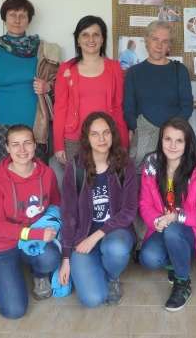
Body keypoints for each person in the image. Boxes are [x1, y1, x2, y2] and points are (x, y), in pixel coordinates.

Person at [59, 112, 138, 307]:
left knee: (116, 249)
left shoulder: (125, 165)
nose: (101, 139)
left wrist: (95, 237)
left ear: (113, 134)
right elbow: (68, 214)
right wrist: (66, 257)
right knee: (93, 299)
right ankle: (98, 267)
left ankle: (112, 277)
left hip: (116, 232)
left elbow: (129, 211)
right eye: (95, 134)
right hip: (83, 236)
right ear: (87, 138)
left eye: (106, 133)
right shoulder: (75, 168)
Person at [139, 117, 196, 311]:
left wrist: (177, 216)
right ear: (161, 140)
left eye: (179, 140)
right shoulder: (151, 165)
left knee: (174, 231)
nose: (172, 145)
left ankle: (182, 282)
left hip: (192, 231)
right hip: (164, 227)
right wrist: (156, 220)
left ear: (187, 143)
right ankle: (176, 262)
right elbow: (145, 204)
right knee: (148, 258)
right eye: (168, 139)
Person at [0, 125, 62, 319]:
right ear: (7, 148)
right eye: (15, 144)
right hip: (3, 244)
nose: (22, 150)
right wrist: (35, 233)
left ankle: (39, 274)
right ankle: (10, 271)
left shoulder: (47, 173)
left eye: (27, 143)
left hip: (35, 241)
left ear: (35, 145)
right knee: (14, 311)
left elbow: (55, 204)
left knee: (50, 257)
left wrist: (53, 226)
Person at [0, 0, 61, 169]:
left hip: (36, 123)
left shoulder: (42, 50)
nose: (17, 20)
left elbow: (60, 84)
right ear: (4, 18)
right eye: (12, 15)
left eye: (22, 16)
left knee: (36, 172)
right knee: (4, 173)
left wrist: (47, 86)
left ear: (29, 20)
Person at [53, 15, 129, 165]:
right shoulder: (66, 69)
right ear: (78, 40)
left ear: (102, 39)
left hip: (106, 139)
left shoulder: (114, 68)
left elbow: (118, 107)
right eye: (85, 35)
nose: (91, 39)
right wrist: (58, 145)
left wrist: (124, 141)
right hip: (74, 139)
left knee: (108, 179)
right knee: (77, 179)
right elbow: (60, 108)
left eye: (96, 34)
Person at [124, 20, 193, 170]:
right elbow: (129, 109)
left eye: (165, 41)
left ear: (169, 46)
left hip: (174, 142)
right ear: (146, 41)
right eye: (155, 39)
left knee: (175, 180)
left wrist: (169, 133)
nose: (159, 45)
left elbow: (187, 106)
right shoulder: (134, 72)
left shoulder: (180, 70)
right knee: (143, 180)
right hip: (143, 140)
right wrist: (139, 129)